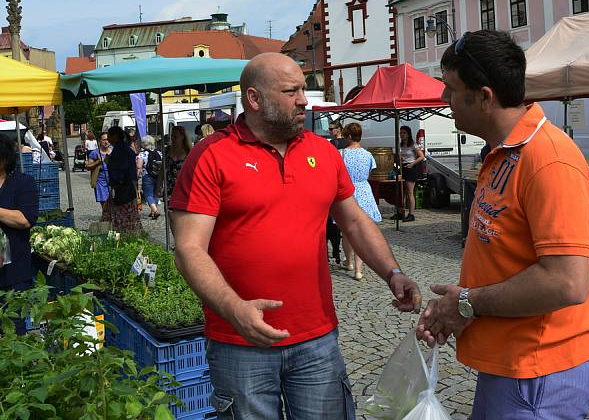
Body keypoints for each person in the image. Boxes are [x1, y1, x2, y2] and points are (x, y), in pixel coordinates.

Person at [170, 52, 421, 420]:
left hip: (316, 338)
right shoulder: (212, 156)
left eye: (303, 89)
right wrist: (234, 308)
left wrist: (392, 273)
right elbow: (189, 248)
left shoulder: (323, 151)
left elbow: (354, 222)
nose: (304, 100)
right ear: (254, 99)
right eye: (291, 91)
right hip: (240, 340)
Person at [416, 30, 589, 419]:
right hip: (513, 366)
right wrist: (457, 309)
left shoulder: (548, 160)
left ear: (484, 97)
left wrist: (467, 303)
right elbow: (504, 254)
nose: (444, 101)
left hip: (540, 374)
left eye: (450, 90)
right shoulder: (503, 152)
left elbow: (567, 282)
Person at [0, 135, 39, 334]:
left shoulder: (23, 183)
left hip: (13, 270)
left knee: (12, 328)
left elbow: (25, 219)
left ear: (5, 158)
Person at [340, 122, 382, 281]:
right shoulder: (368, 154)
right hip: (364, 192)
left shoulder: (340, 154)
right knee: (362, 232)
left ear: (349, 136)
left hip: (347, 193)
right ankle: (359, 269)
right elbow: (370, 174)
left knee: (346, 231)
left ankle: (349, 262)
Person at [102, 126, 142, 234]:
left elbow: (123, 169)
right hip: (125, 187)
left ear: (115, 136)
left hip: (122, 188)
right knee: (126, 213)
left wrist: (110, 163)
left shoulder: (121, 149)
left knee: (122, 213)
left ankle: (124, 233)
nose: (108, 138)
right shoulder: (123, 148)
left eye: (109, 135)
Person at [156, 125, 190, 205]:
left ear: (183, 137)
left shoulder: (189, 152)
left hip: (184, 188)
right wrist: (159, 185)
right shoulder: (167, 150)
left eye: (176, 136)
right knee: (169, 213)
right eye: (172, 136)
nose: (173, 139)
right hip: (169, 188)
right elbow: (162, 169)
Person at [399, 125, 425, 222]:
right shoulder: (401, 145)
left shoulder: (413, 144)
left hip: (411, 168)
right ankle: (401, 212)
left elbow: (421, 156)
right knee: (402, 192)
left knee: (410, 192)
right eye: (401, 133)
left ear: (408, 134)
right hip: (403, 167)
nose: (402, 135)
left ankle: (411, 214)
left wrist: (412, 163)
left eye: (404, 133)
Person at [85, 131, 111, 210]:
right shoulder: (94, 153)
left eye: (108, 139)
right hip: (100, 178)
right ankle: (106, 215)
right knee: (103, 199)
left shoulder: (113, 151)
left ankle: (110, 215)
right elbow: (88, 166)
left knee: (113, 198)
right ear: (99, 141)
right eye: (104, 140)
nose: (106, 141)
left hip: (112, 178)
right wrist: (97, 162)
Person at [138, 135, 161, 220]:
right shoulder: (159, 153)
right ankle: (153, 211)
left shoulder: (143, 154)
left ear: (144, 144)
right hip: (158, 176)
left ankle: (155, 211)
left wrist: (137, 175)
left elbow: (139, 166)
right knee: (156, 193)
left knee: (148, 194)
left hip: (147, 176)